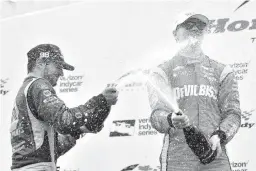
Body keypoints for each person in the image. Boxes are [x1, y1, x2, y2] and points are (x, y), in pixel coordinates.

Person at [147, 12, 241, 171]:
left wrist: (220, 135)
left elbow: (233, 113)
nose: (195, 29)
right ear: (175, 34)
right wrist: (170, 119)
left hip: (214, 156)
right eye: (189, 25)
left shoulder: (222, 71)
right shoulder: (162, 72)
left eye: (200, 26)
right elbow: (157, 116)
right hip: (178, 159)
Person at [10, 44, 118, 171]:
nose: (61, 73)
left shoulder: (25, 91)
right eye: (58, 66)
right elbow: (64, 120)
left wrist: (77, 131)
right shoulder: (38, 85)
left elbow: (50, 148)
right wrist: (99, 101)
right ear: (41, 63)